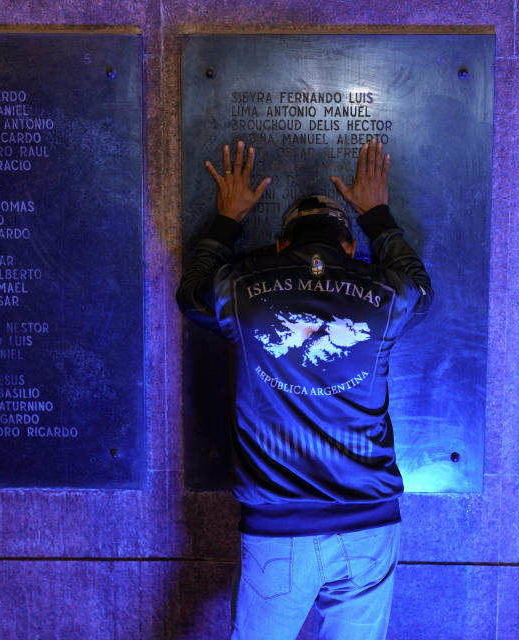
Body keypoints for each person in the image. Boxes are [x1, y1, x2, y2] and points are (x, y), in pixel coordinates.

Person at [177, 139, 432, 640]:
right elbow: (419, 291)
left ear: (279, 245)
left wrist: (228, 220)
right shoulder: (383, 292)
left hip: (277, 530)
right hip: (369, 523)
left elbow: (191, 294)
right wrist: (377, 215)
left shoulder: (238, 285)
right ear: (350, 248)